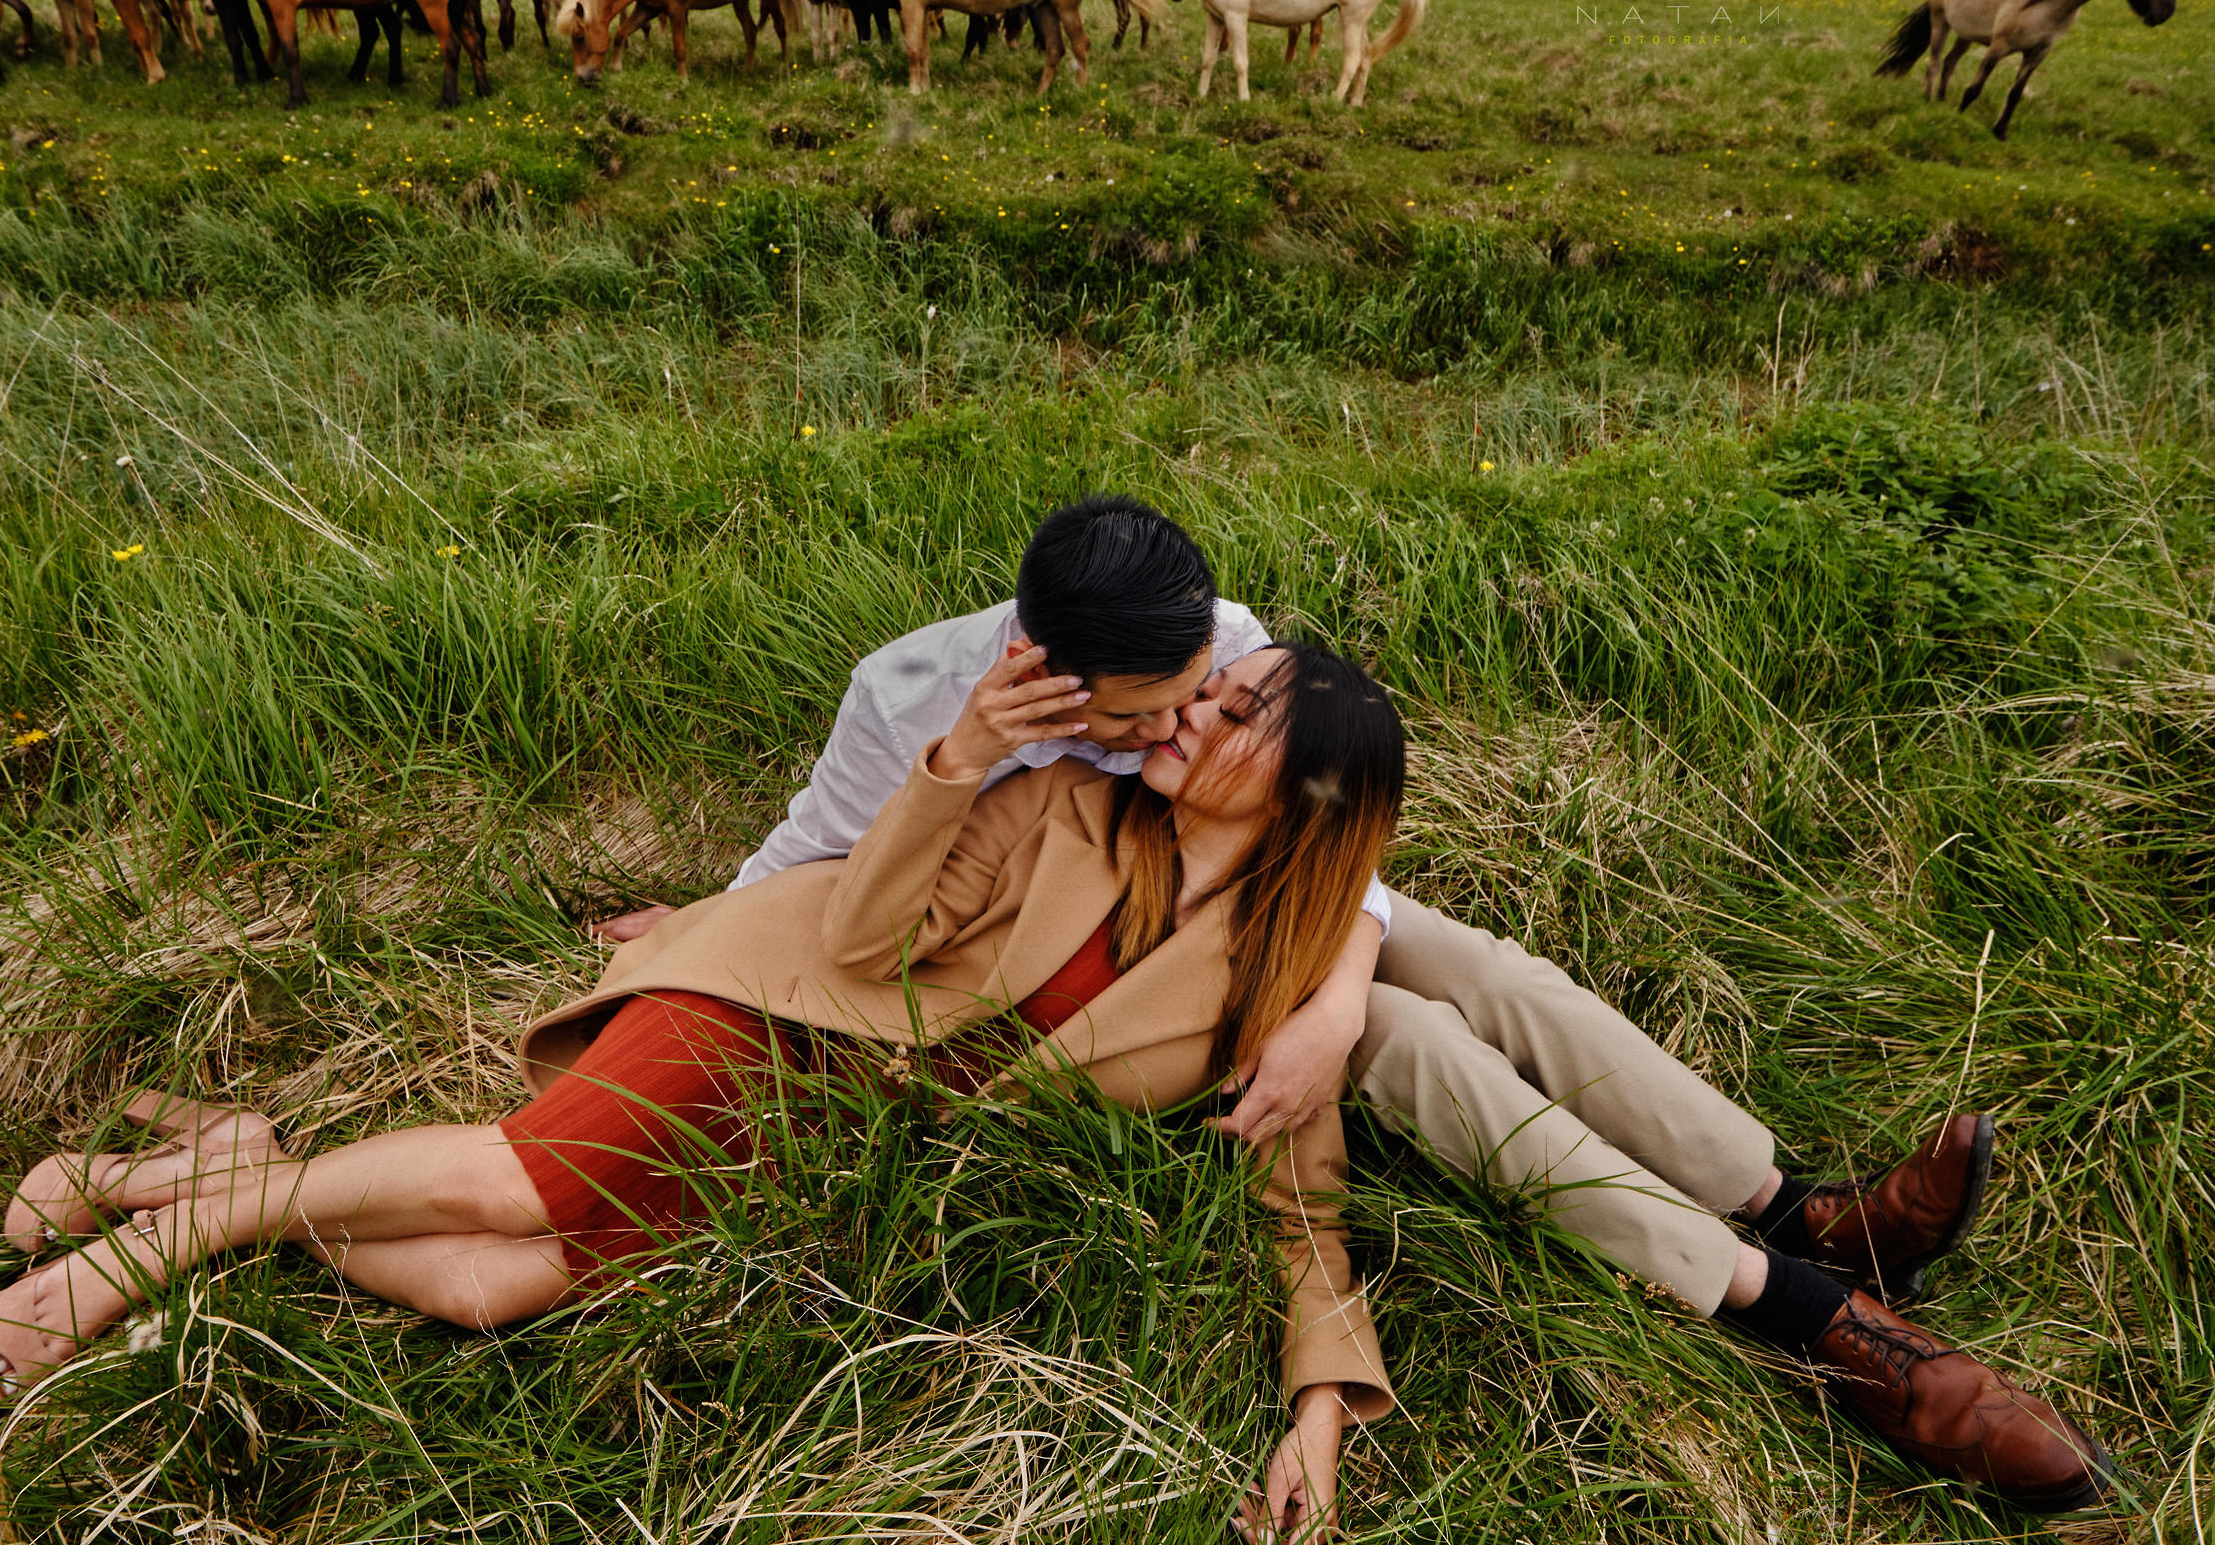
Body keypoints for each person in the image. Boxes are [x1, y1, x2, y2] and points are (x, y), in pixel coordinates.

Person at [602, 494, 2114, 1511]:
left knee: (1473, 974)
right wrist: (710, 922)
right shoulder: (913, 698)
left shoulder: (1230, 650)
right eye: (1162, 711)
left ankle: (1800, 1209)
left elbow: (1343, 819)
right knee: (1415, 1044)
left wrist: (1327, 990)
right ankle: (1813, 1319)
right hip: (1128, 971)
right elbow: (819, 860)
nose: (1197, 708)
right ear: (1050, 673)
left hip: (1266, 905)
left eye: (1212, 685)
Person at [0, 642, 1411, 1540]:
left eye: (1234, 716)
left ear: (1314, 794)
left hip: (833, 1139)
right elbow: (862, 935)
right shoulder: (1061, 800)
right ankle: (147, 1250)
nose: (1190, 715)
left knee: (486, 1284)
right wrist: (961, 758)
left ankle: (225, 1163)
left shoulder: (1275, 992)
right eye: (1209, 689)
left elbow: (1303, 1208)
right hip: (776, 1012)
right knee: (517, 1185)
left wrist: (1318, 1427)